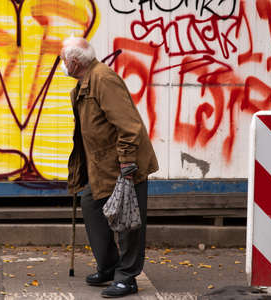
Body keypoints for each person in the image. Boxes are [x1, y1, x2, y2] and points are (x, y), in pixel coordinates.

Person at [61, 36, 159, 298]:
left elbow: (129, 126)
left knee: (128, 221)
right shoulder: (84, 85)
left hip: (124, 164)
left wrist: (127, 162)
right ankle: (109, 266)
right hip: (101, 167)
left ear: (73, 63)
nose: (61, 63)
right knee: (92, 205)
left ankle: (127, 277)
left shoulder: (103, 80)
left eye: (62, 59)